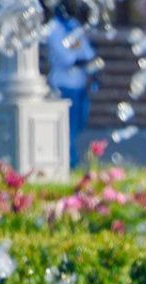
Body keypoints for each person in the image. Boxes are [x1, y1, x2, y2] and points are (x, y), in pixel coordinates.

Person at [45, 1, 98, 169]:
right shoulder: (53, 28)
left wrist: (85, 63)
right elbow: (66, 58)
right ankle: (68, 162)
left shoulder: (74, 26)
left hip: (79, 85)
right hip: (62, 85)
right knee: (66, 128)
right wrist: (81, 60)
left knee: (78, 124)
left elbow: (88, 53)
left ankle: (69, 158)